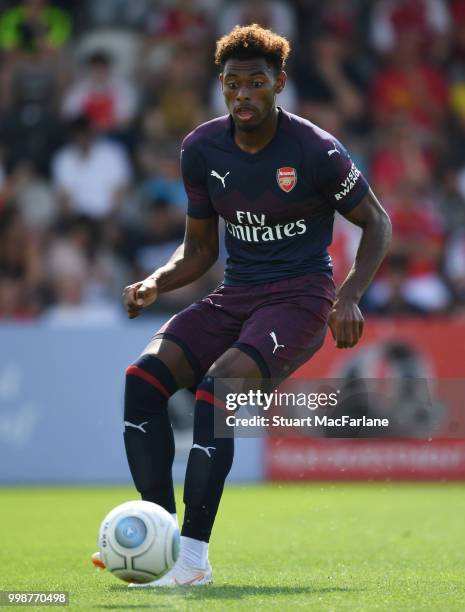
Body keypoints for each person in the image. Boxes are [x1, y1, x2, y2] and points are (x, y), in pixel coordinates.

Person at [93, 24, 391, 586]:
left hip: (300, 299)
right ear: (221, 87)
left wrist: (350, 296)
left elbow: (377, 220)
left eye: (257, 82)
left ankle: (192, 562)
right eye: (233, 83)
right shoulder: (201, 149)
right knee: (142, 381)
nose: (244, 94)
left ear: (279, 83)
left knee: (217, 389)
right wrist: (157, 281)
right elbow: (202, 248)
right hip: (234, 296)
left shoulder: (315, 149)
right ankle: (161, 537)